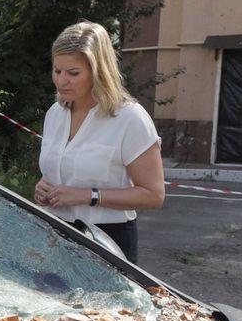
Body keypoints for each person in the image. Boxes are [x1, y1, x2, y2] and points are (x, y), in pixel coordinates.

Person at [34, 21, 165, 264]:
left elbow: (154, 195)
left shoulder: (129, 118)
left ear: (99, 71)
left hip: (107, 240)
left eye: (73, 73)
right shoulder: (55, 113)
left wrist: (88, 195)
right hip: (54, 233)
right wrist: (43, 187)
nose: (62, 81)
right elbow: (64, 169)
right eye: (57, 70)